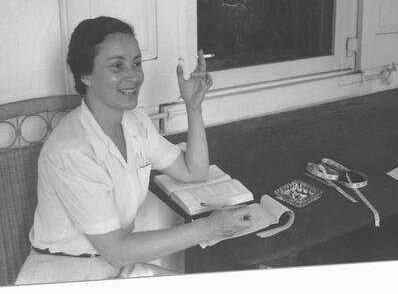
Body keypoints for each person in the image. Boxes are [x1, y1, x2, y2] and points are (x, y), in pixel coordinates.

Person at [15, 16, 251, 284]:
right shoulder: (71, 150)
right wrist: (210, 228)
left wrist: (193, 107)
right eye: (117, 65)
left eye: (136, 63)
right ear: (86, 75)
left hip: (115, 265)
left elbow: (193, 172)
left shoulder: (135, 122)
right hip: (65, 274)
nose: (133, 75)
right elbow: (116, 250)